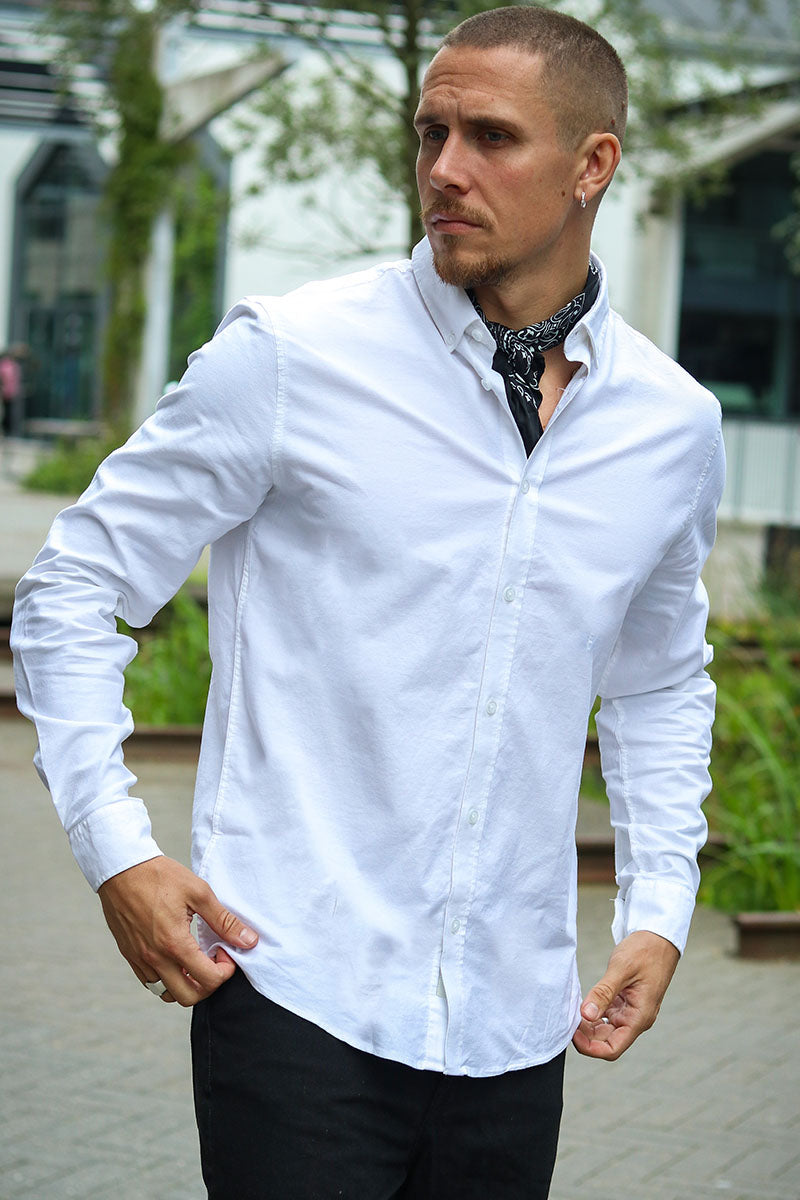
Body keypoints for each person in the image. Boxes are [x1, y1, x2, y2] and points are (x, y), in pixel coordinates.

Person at [11, 6, 724, 1198]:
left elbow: (658, 683)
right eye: (429, 132)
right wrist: (115, 852)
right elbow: (73, 586)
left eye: (490, 136)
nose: (443, 168)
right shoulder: (292, 357)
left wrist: (657, 910)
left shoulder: (671, 426)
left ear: (591, 165)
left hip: (512, 1026)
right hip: (297, 994)